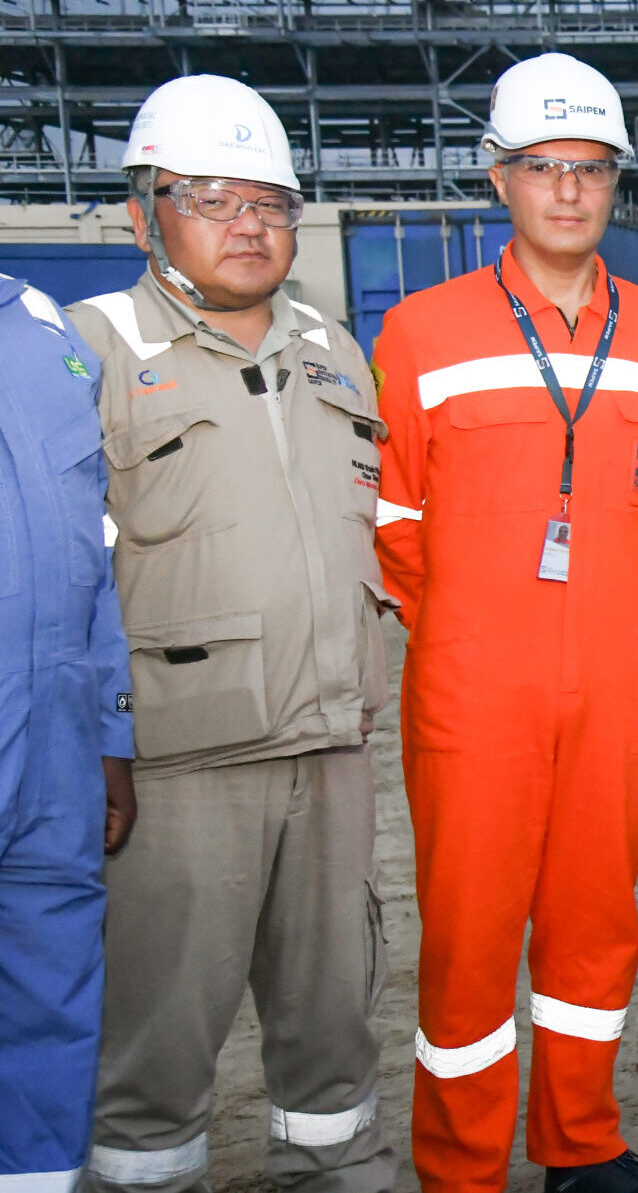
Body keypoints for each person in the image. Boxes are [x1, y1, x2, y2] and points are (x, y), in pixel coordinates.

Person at [66, 74, 394, 1193]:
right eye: (211, 196)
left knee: (336, 1036)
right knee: (156, 1051)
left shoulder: (336, 350)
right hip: (175, 772)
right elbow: (55, 576)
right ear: (142, 208)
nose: (248, 223)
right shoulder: (89, 353)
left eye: (271, 200)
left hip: (330, 753)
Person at [371, 53, 638, 1193]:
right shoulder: (418, 332)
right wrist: (478, 631)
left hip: (614, 678)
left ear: (616, 184)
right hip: (474, 687)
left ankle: (580, 1142)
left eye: (591, 168)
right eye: (543, 166)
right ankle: (460, 1167)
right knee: (467, 942)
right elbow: (395, 526)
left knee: (596, 930)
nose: (568, 189)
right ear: (498, 179)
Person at [0, 273, 133, 1193]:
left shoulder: (39, 331)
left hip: (54, 747)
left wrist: (109, 727)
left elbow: (98, 545)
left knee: (51, 1003)